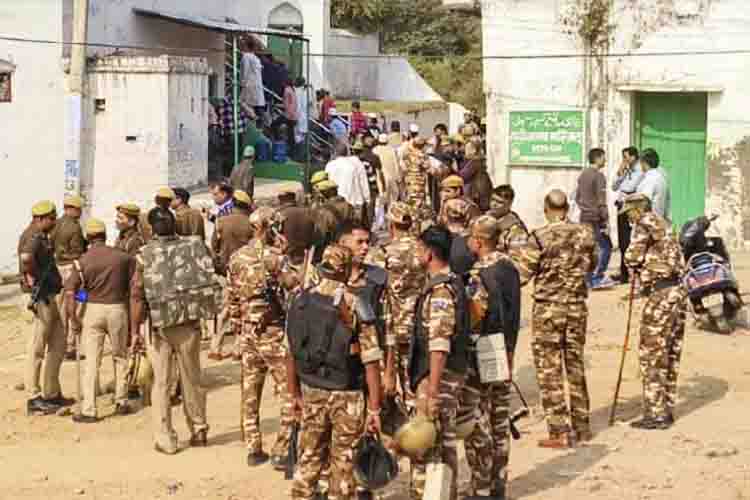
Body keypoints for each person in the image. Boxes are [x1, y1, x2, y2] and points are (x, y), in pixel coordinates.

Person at [286, 245, 383, 500]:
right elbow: (371, 361)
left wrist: (293, 393)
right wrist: (374, 408)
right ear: (347, 270)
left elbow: (291, 352)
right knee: (343, 465)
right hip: (347, 393)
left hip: (311, 390)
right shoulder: (355, 305)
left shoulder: (301, 301)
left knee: (308, 460)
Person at [130, 207, 218, 454]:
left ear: (151, 228)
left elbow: (137, 295)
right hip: (189, 322)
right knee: (193, 378)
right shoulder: (195, 245)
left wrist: (135, 331)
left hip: (159, 327)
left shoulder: (144, 255)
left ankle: (165, 438)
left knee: (161, 383)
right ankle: (199, 429)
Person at [515, 190, 597, 448]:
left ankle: (559, 431)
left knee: (549, 370)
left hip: (548, 310)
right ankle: (582, 426)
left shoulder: (539, 237)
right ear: (567, 208)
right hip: (576, 308)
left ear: (546, 208)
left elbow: (522, 274)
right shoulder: (585, 234)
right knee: (575, 366)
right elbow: (592, 265)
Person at [226, 206, 294, 468]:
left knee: (250, 391)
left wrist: (238, 328)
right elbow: (293, 289)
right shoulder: (275, 258)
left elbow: (232, 299)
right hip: (274, 332)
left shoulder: (237, 258)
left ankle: (253, 447)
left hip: (247, 332)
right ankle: (283, 447)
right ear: (269, 227)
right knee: (288, 391)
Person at [408, 225, 469, 500]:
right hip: (443, 377)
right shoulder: (449, 281)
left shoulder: (442, 291)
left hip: (439, 380)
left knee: (427, 448)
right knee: (444, 446)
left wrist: (432, 392)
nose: (416, 253)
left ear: (430, 254)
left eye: (419, 249)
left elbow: (439, 346)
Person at [462, 215, 521, 500]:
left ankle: (480, 487)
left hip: (483, 348)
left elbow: (475, 316)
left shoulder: (479, 274)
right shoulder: (510, 267)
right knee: (500, 420)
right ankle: (498, 484)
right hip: (504, 346)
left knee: (479, 420)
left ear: (480, 241)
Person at [622, 193, 686, 430]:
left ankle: (655, 413)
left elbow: (632, 256)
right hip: (678, 291)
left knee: (651, 354)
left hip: (660, 294)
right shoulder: (666, 223)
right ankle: (666, 409)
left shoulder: (643, 224)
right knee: (670, 352)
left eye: (629, 213)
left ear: (636, 210)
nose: (629, 218)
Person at [65, 218, 135, 422]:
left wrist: (73, 319)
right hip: (117, 309)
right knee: (120, 356)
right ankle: (122, 400)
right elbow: (134, 286)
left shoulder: (81, 262)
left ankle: (89, 409)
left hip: (93, 311)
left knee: (92, 361)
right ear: (105, 236)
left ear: (88, 238)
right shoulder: (123, 258)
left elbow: (72, 293)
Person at [19, 201, 72, 415]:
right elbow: (26, 258)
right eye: (51, 218)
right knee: (37, 349)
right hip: (39, 299)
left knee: (58, 344)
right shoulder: (33, 236)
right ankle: (33, 397)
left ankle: (51, 393)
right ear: (40, 219)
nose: (54, 222)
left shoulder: (42, 236)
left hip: (50, 296)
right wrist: (33, 277)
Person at [380, 203, 426, 411]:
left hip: (395, 326)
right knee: (418, 379)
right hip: (421, 322)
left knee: (399, 377)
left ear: (391, 224)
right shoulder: (424, 250)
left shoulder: (385, 252)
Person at [210, 190, 254, 361]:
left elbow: (214, 246)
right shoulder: (252, 223)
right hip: (247, 270)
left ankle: (216, 347)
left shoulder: (221, 221)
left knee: (226, 309)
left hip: (228, 269)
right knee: (244, 308)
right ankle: (237, 349)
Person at [51, 194, 87, 361]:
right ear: (71, 209)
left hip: (57, 268)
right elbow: (78, 251)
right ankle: (71, 346)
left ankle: (57, 345)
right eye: (79, 210)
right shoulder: (74, 227)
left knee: (60, 310)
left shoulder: (55, 224)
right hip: (71, 269)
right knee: (77, 304)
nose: (80, 213)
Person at [577, 148, 614, 289]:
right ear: (597, 159)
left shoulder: (583, 175)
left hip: (584, 217)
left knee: (588, 249)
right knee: (606, 247)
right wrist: (606, 219)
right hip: (596, 218)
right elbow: (601, 201)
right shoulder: (599, 176)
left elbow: (577, 197)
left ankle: (587, 279)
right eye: (603, 158)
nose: (605, 160)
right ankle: (596, 278)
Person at [612, 147, 643, 284]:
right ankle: (624, 273)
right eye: (623, 157)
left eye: (626, 157)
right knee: (622, 241)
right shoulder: (626, 171)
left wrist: (624, 176)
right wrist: (620, 172)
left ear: (634, 157)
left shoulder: (639, 171)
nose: (624, 160)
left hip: (631, 208)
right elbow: (614, 186)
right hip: (621, 206)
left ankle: (634, 273)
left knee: (632, 241)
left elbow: (629, 188)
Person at [325, 142, 370, 219]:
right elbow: (362, 182)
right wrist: (367, 198)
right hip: (353, 203)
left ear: (335, 153)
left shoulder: (329, 166)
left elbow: (326, 184)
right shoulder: (353, 165)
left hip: (335, 205)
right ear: (347, 152)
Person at [488, 185, 530, 261]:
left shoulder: (516, 230)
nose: (494, 204)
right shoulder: (484, 218)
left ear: (509, 205)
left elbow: (517, 258)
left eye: (500, 202)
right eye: (492, 199)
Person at [357, 135, 386, 228]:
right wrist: (382, 188)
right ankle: (368, 229)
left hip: (359, 187)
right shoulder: (375, 157)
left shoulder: (356, 159)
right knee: (370, 210)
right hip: (371, 186)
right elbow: (379, 174)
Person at [636, 148, 670, 221]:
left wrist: (628, 199)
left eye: (640, 162)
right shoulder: (662, 177)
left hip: (648, 223)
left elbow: (644, 199)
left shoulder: (651, 178)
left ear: (644, 162)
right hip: (659, 219)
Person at [240, 37, 266, 119]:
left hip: (249, 87)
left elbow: (245, 72)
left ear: (246, 46)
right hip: (256, 87)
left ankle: (254, 118)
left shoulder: (246, 57)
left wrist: (242, 84)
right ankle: (258, 121)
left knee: (243, 104)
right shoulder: (256, 58)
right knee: (255, 108)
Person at [373, 133, 402, 207]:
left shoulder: (375, 150)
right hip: (392, 178)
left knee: (382, 199)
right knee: (393, 199)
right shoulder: (392, 150)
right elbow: (396, 164)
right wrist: (398, 177)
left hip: (381, 178)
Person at [282, 79, 299, 149]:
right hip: (294, 114)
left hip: (289, 114)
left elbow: (286, 104)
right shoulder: (293, 90)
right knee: (291, 133)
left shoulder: (286, 90)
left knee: (290, 133)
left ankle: (290, 148)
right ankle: (292, 148)